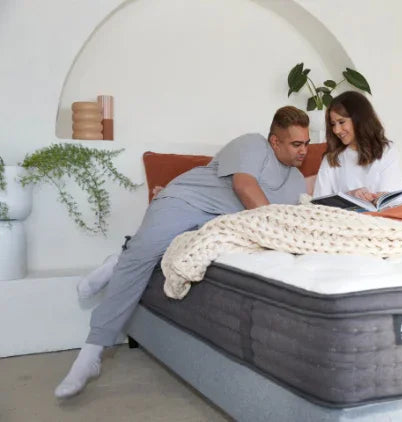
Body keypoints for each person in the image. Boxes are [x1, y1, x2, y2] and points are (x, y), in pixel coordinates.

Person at [55, 106, 310, 399]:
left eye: (306, 143)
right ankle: (91, 354)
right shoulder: (252, 145)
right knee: (142, 257)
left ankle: (117, 262)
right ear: (275, 141)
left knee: (165, 253)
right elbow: (244, 186)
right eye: (296, 144)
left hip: (218, 224)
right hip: (186, 201)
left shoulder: (296, 181)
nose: (303, 150)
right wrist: (276, 231)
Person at [312, 91, 402, 203]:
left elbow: (396, 197)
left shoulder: (387, 150)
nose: (336, 130)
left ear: (359, 119)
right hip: (345, 214)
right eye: (333, 124)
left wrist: (381, 198)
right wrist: (349, 196)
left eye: (341, 122)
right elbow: (319, 203)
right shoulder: (332, 158)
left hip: (382, 213)